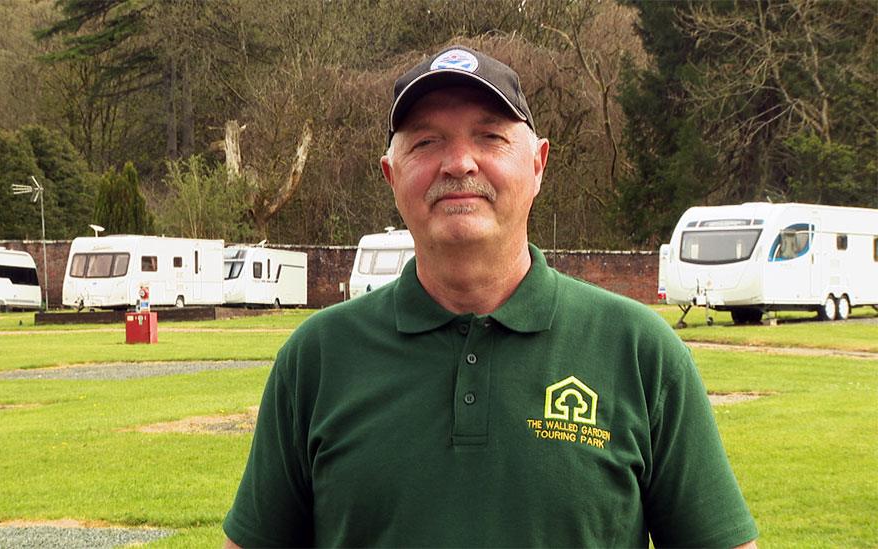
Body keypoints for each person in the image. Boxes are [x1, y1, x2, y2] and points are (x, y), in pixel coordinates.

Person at [223, 45, 759, 548]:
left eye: (490, 137)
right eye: (426, 142)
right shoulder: (317, 356)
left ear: (538, 165)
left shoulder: (639, 350)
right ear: (391, 175)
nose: (459, 163)